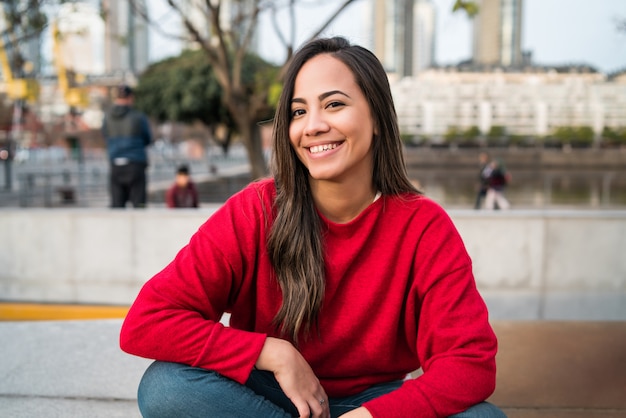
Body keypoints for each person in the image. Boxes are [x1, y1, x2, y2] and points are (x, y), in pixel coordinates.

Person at [120, 37, 506, 418]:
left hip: (373, 403)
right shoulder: (255, 210)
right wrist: (273, 353)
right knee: (166, 387)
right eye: (299, 112)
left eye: (334, 104)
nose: (313, 126)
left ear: (377, 118)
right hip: (268, 396)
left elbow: (470, 363)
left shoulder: (424, 226)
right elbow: (146, 322)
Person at [102, 84, 152, 208]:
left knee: (117, 207)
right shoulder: (139, 117)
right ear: (130, 98)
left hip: (115, 165)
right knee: (139, 205)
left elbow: (105, 136)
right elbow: (148, 139)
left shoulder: (106, 118)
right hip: (135, 164)